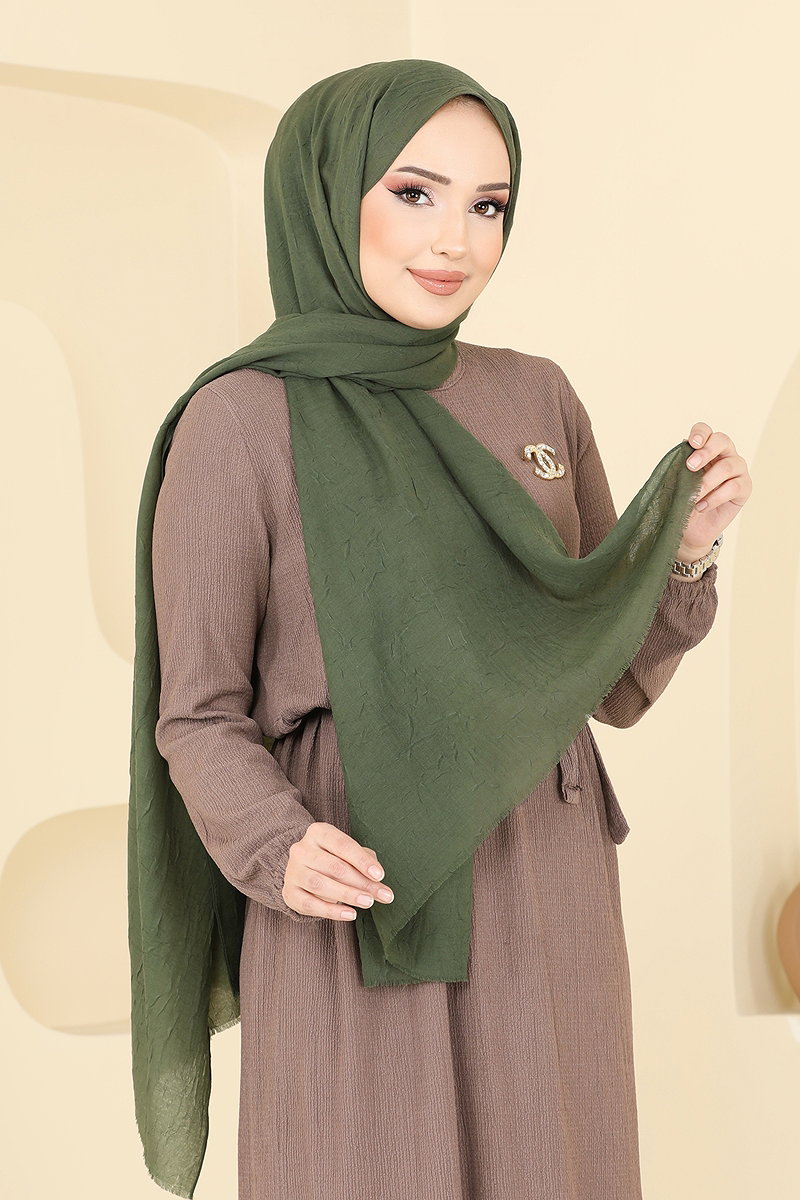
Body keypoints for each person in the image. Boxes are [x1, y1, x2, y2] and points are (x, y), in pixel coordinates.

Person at [129, 59, 752, 1200]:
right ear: (328, 194)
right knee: (369, 1163)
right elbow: (198, 713)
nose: (454, 240)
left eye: (487, 205)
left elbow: (607, 681)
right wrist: (277, 844)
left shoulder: (536, 394)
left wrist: (688, 549)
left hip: (545, 869)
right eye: (414, 193)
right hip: (361, 869)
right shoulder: (239, 420)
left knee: (556, 1160)